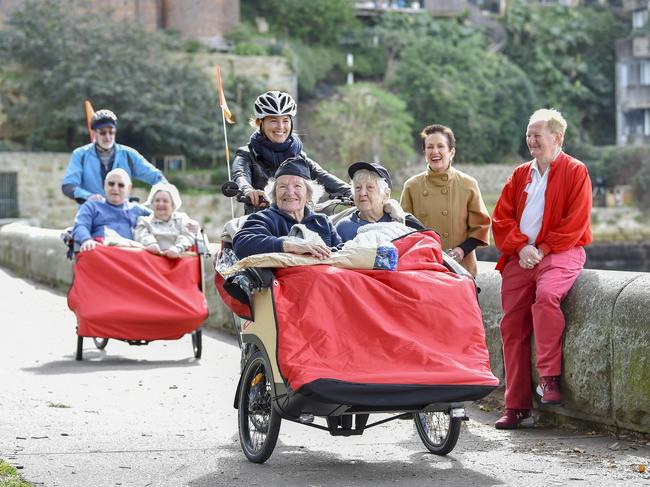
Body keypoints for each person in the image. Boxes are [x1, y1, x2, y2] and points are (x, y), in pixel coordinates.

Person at [491, 108, 592, 430]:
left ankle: (549, 379)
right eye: (528, 135)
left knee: (547, 297)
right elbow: (501, 218)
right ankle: (516, 405)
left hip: (561, 252)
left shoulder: (576, 171)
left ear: (557, 138)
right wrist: (522, 246)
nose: (531, 140)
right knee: (512, 326)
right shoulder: (521, 174)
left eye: (537, 135)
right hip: (523, 255)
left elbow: (575, 222)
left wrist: (543, 249)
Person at [230, 90, 351, 214]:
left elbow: (321, 175)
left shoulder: (297, 156)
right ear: (260, 123)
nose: (281, 127)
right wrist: (248, 191)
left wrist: (351, 192)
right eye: (273, 121)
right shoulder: (246, 155)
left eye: (285, 120)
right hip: (260, 221)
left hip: (297, 220)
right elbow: (239, 175)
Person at [399, 124, 491, 277]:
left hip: (461, 268)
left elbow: (480, 227)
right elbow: (403, 229)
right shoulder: (412, 186)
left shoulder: (468, 184)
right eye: (430, 147)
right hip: (423, 267)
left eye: (440, 146)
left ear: (451, 152)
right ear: (424, 152)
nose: (435, 151)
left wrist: (461, 251)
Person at [233, 157, 342, 259]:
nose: (290, 193)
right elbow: (241, 244)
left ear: (308, 194)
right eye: (282, 186)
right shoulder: (264, 218)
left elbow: (341, 252)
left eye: (297, 186)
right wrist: (289, 245)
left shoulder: (322, 221)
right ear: (274, 194)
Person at [62, 109, 166, 204]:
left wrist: (160, 198)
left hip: (122, 216)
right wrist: (89, 197)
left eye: (111, 132)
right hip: (91, 216)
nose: (107, 137)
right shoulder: (80, 155)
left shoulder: (129, 155)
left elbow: (157, 177)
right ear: (94, 134)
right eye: (102, 133)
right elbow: (68, 186)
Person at [336, 161, 424, 242]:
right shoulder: (343, 228)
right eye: (358, 188)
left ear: (386, 195)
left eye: (370, 187)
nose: (362, 193)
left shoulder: (405, 222)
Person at [72, 168, 150, 252]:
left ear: (129, 188)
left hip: (129, 253)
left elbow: (161, 218)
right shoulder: (91, 206)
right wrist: (86, 240)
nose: (115, 189)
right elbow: (80, 225)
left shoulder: (137, 209)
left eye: (121, 185)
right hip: (100, 252)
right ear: (105, 185)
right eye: (111, 184)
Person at [134, 183, 196, 259]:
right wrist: (151, 244)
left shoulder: (182, 219)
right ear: (152, 204)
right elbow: (141, 235)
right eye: (157, 200)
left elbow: (188, 236)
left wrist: (177, 248)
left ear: (173, 205)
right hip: (152, 261)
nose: (160, 204)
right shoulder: (144, 221)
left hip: (178, 261)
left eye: (165, 201)